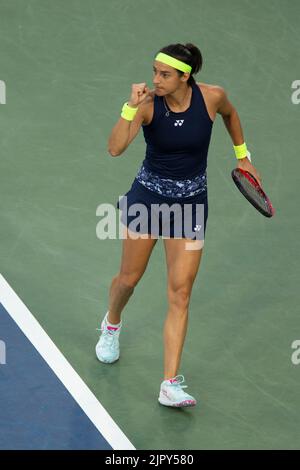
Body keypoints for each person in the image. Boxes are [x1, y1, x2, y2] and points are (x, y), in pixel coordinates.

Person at [95, 43, 262, 408]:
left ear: (185, 76)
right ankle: (111, 324)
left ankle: (169, 383)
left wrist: (243, 157)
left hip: (190, 206)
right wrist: (130, 107)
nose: (156, 80)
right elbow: (114, 148)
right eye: (155, 71)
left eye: (164, 74)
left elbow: (232, 117)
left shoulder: (213, 97)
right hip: (147, 202)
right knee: (128, 279)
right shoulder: (148, 106)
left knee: (180, 293)